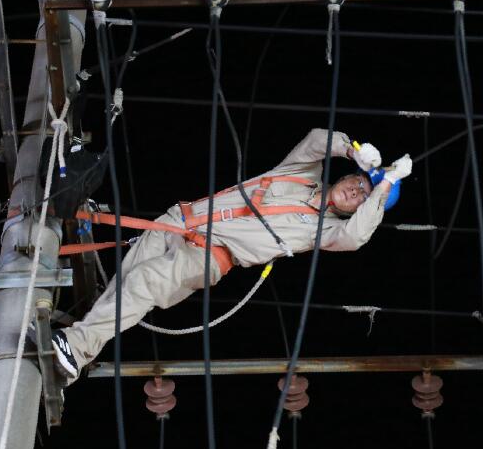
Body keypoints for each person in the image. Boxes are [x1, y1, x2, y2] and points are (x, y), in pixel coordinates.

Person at [50, 128, 413, 379]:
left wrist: (386, 186)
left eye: (365, 196)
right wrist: (353, 150)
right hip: (177, 221)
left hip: (208, 254)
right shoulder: (300, 173)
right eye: (358, 181)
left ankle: (76, 349)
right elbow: (318, 139)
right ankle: (71, 363)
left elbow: (356, 236)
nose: (356, 191)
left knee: (144, 283)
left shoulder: (327, 231)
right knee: (123, 289)